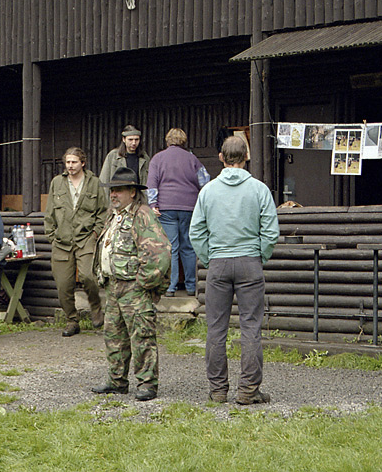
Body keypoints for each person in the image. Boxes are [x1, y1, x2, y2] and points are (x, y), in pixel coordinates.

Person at [189, 136, 279, 405]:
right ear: (246, 157)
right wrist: (258, 255)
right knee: (251, 327)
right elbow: (271, 232)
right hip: (250, 262)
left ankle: (218, 391)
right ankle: (248, 391)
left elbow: (196, 232)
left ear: (221, 157)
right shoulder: (259, 189)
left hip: (218, 262)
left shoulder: (208, 191)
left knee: (216, 329)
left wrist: (210, 257)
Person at [91, 167, 171, 402]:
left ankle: (147, 384)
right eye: (112, 190)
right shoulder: (113, 215)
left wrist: (144, 283)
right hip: (113, 286)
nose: (113, 194)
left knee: (142, 336)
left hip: (133, 288)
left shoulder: (142, 214)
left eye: (119, 190)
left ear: (133, 193)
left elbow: (160, 253)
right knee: (113, 336)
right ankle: (117, 381)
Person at [44, 147, 109, 337]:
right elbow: (49, 212)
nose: (70, 166)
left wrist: (96, 232)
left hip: (86, 238)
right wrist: (51, 235)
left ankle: (96, 308)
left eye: (74, 162)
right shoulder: (57, 183)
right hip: (62, 240)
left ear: (83, 162)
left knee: (89, 276)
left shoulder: (94, 183)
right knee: (64, 285)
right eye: (67, 162)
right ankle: (72, 320)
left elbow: (102, 211)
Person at [146, 128, 210, 297]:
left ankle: (170, 287)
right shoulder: (192, 159)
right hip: (189, 207)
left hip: (166, 207)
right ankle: (191, 286)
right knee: (188, 247)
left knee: (171, 247)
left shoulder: (157, 159)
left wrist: (153, 203)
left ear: (167, 141)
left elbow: (152, 183)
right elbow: (205, 180)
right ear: (184, 141)